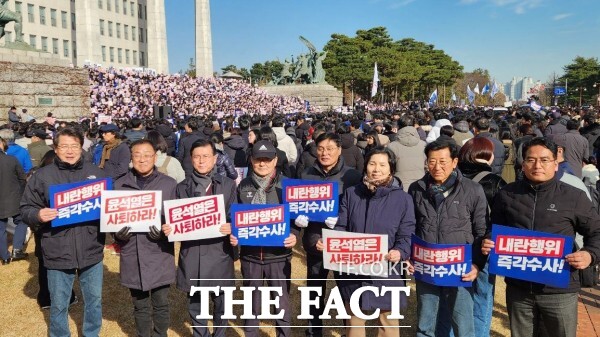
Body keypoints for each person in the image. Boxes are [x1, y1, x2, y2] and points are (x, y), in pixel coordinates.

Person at [482, 137, 600, 337]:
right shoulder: (508, 194)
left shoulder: (574, 196)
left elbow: (596, 232)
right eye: (531, 160)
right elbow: (494, 228)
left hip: (559, 288)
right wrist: (488, 240)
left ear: (556, 163)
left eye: (544, 160)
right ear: (523, 163)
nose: (537, 165)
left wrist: (589, 255)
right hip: (519, 288)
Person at [20, 127, 106, 337]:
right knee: (59, 304)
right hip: (57, 250)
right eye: (64, 146)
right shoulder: (42, 176)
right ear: (55, 149)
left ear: (81, 148)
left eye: (74, 146)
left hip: (91, 249)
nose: (70, 151)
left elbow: (111, 207)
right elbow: (25, 209)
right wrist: (38, 214)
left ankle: (91, 333)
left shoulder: (96, 174)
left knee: (94, 301)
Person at [408, 138, 487, 337]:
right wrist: (410, 256)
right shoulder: (416, 189)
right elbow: (411, 226)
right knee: (426, 322)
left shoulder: (472, 190)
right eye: (432, 161)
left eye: (443, 161)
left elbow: (481, 230)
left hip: (458, 267)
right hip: (427, 266)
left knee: (462, 323)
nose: (437, 167)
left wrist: (477, 264)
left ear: (454, 162)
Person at [333, 146, 415, 337]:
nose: (376, 169)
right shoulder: (352, 194)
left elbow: (406, 234)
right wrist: (331, 243)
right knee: (354, 322)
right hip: (354, 268)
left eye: (382, 165)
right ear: (365, 166)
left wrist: (401, 252)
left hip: (387, 268)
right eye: (372, 163)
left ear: (391, 169)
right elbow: (341, 227)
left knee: (388, 322)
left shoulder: (403, 199)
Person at [163, 139, 237, 337]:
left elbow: (235, 216)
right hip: (193, 252)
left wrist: (232, 226)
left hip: (220, 251)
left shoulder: (228, 185)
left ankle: (220, 334)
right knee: (197, 302)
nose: (201, 161)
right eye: (197, 157)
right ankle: (200, 334)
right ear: (191, 159)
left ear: (215, 159)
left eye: (206, 156)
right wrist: (170, 227)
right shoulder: (181, 187)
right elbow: (175, 219)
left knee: (222, 301)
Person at [230, 140, 299, 337]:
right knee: (251, 304)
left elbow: (295, 216)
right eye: (258, 159)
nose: (262, 164)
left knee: (281, 304)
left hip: (278, 256)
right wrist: (235, 234)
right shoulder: (242, 185)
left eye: (267, 160)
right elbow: (236, 218)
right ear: (251, 160)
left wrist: (294, 234)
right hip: (250, 257)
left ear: (275, 160)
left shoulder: (286, 185)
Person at [297, 132, 362, 337]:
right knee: (314, 291)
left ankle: (349, 331)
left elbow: (358, 208)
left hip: (343, 243)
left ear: (339, 150)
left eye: (330, 149)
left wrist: (341, 219)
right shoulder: (307, 174)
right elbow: (298, 202)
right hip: (315, 241)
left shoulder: (351, 176)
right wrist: (299, 216)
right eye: (321, 149)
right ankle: (313, 331)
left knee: (347, 292)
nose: (325, 153)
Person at [112, 139, 177, 337]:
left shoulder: (169, 184)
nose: (142, 159)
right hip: (133, 252)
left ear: (155, 157)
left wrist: (166, 233)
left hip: (159, 253)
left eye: (147, 155)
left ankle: (160, 334)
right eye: (137, 155)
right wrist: (117, 235)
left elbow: (176, 222)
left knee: (161, 303)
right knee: (139, 304)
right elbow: (111, 219)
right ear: (131, 158)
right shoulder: (119, 185)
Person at [457, 137, 507, 337]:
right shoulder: (495, 181)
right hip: (485, 244)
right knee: (482, 296)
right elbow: (503, 216)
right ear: (488, 154)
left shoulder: (452, 176)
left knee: (456, 297)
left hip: (455, 244)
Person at [0, 135, 26, 264]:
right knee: (21, 221)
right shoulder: (11, 159)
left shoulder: (11, 159)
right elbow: (22, 178)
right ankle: (17, 249)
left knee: (0, 229)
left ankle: (4, 257)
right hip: (14, 198)